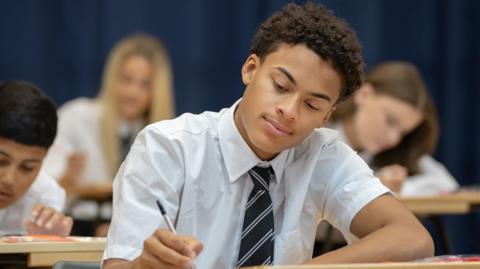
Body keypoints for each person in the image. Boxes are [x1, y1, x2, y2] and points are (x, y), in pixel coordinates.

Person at [102, 3, 433, 269]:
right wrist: (145, 264)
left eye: (312, 104)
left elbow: (412, 237)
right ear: (250, 69)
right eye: (280, 86)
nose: (289, 110)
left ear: (327, 115)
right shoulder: (167, 147)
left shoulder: (322, 154)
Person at [42, 33, 174, 234]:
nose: (132, 92)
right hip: (79, 226)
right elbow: (43, 188)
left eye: (145, 84)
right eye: (126, 79)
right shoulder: (77, 117)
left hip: (136, 231)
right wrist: (66, 180)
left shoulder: (163, 134)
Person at [329, 62, 458, 196]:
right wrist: (373, 184)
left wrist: (400, 187)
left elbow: (447, 184)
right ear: (364, 95)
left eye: (403, 133)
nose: (393, 138)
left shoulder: (395, 153)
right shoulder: (317, 135)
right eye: (390, 121)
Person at [0, 80, 72, 236]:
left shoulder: (46, 198)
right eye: (1, 161)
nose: (9, 179)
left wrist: (53, 244)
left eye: (27, 168)